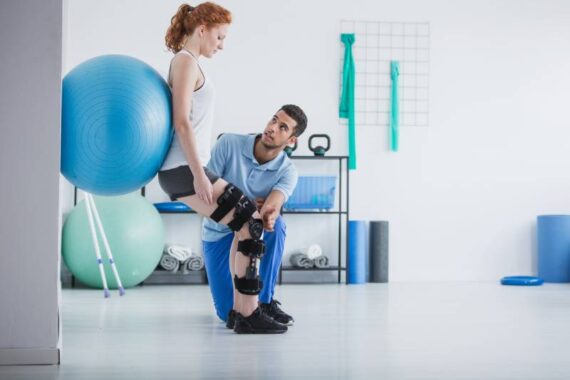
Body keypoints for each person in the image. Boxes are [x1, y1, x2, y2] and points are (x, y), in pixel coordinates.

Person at [158, 3, 285, 334]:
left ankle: (242, 312)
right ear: (202, 29)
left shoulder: (189, 62)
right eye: (220, 36)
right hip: (184, 168)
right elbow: (181, 122)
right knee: (251, 225)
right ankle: (247, 314)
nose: (222, 44)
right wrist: (200, 173)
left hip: (184, 168)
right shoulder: (185, 62)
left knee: (246, 227)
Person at [202, 105, 308, 330]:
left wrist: (268, 211)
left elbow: (272, 206)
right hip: (218, 233)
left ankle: (265, 302)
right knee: (228, 314)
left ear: (291, 141)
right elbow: (205, 194)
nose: (272, 128)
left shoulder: (288, 171)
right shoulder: (228, 143)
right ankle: (248, 304)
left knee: (276, 225)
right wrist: (249, 204)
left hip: (252, 230)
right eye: (273, 120)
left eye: (282, 127)